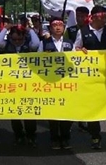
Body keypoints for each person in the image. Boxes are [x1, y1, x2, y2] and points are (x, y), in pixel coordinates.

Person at [75, 5, 106, 150]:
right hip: (91, 76)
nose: (104, 20)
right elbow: (75, 49)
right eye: (102, 17)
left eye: (105, 18)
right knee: (93, 106)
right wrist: (79, 50)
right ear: (94, 17)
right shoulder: (83, 31)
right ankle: (95, 136)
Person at [0, 25, 40, 147]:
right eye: (14, 39)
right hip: (12, 85)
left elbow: (36, 44)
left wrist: (30, 30)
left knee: (29, 113)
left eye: (19, 40)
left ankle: (31, 136)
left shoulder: (29, 46)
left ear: (23, 37)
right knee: (14, 113)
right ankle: (18, 135)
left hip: (27, 84)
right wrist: (5, 28)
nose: (16, 42)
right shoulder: (7, 45)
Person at [39, 17, 74, 150]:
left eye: (60, 25)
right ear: (50, 28)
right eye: (55, 25)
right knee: (53, 112)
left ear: (64, 27)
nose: (58, 27)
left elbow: (76, 60)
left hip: (66, 83)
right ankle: (54, 138)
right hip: (50, 83)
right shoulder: (44, 43)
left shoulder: (70, 43)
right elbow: (37, 60)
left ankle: (65, 138)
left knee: (67, 112)